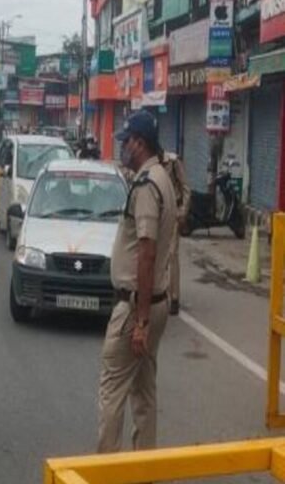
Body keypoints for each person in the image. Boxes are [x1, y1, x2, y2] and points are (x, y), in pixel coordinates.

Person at [98, 111, 176, 454]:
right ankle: (145, 468)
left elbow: (146, 253)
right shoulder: (163, 178)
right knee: (143, 392)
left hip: (136, 307)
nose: (122, 148)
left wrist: (140, 321)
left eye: (125, 142)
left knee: (112, 388)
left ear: (140, 143)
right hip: (156, 300)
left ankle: (104, 473)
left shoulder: (146, 186)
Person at [159, 150, 191, 316]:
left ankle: (174, 298)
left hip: (173, 212)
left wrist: (183, 211)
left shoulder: (173, 161)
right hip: (156, 212)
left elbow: (185, 188)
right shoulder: (150, 163)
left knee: (172, 254)